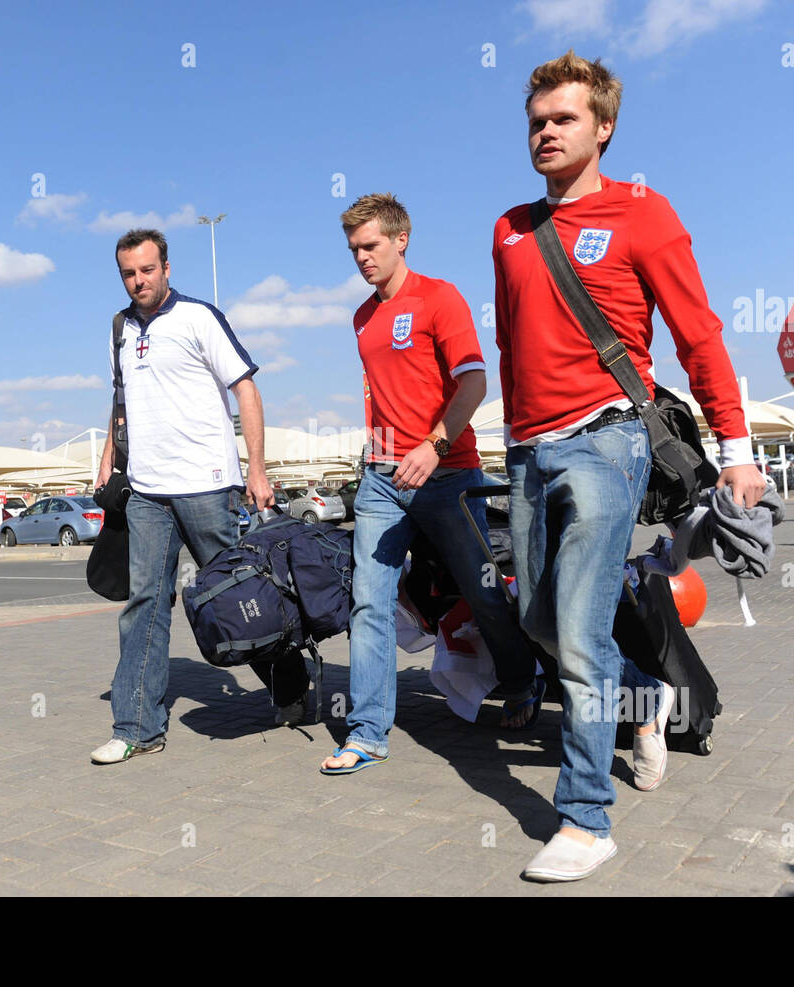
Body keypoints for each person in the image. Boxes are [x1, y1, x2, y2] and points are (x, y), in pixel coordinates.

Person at [493, 51, 766, 880]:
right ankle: (645, 698)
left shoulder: (644, 213)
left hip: (609, 437)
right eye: (536, 120)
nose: (545, 131)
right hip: (529, 449)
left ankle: (585, 818)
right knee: (540, 621)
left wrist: (738, 447)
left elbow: (699, 331)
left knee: (576, 629)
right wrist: (508, 442)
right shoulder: (509, 226)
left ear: (603, 127)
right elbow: (509, 341)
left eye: (563, 118)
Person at [320, 194, 544, 775]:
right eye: (354, 250)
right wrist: (377, 454)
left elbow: (473, 383)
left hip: (448, 475)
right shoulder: (362, 319)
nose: (362, 258)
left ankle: (522, 681)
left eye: (370, 246)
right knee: (369, 602)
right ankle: (368, 732)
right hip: (381, 482)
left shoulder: (439, 297)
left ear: (402, 240)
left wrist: (434, 445)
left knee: (484, 592)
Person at [90, 229, 310, 764]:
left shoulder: (199, 318)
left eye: (146, 269)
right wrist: (106, 464)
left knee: (240, 597)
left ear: (166, 267)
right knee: (144, 603)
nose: (138, 280)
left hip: (208, 485)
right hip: (145, 492)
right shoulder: (119, 328)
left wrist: (255, 469)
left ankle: (290, 682)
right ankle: (137, 726)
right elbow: (121, 400)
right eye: (128, 273)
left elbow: (246, 388)